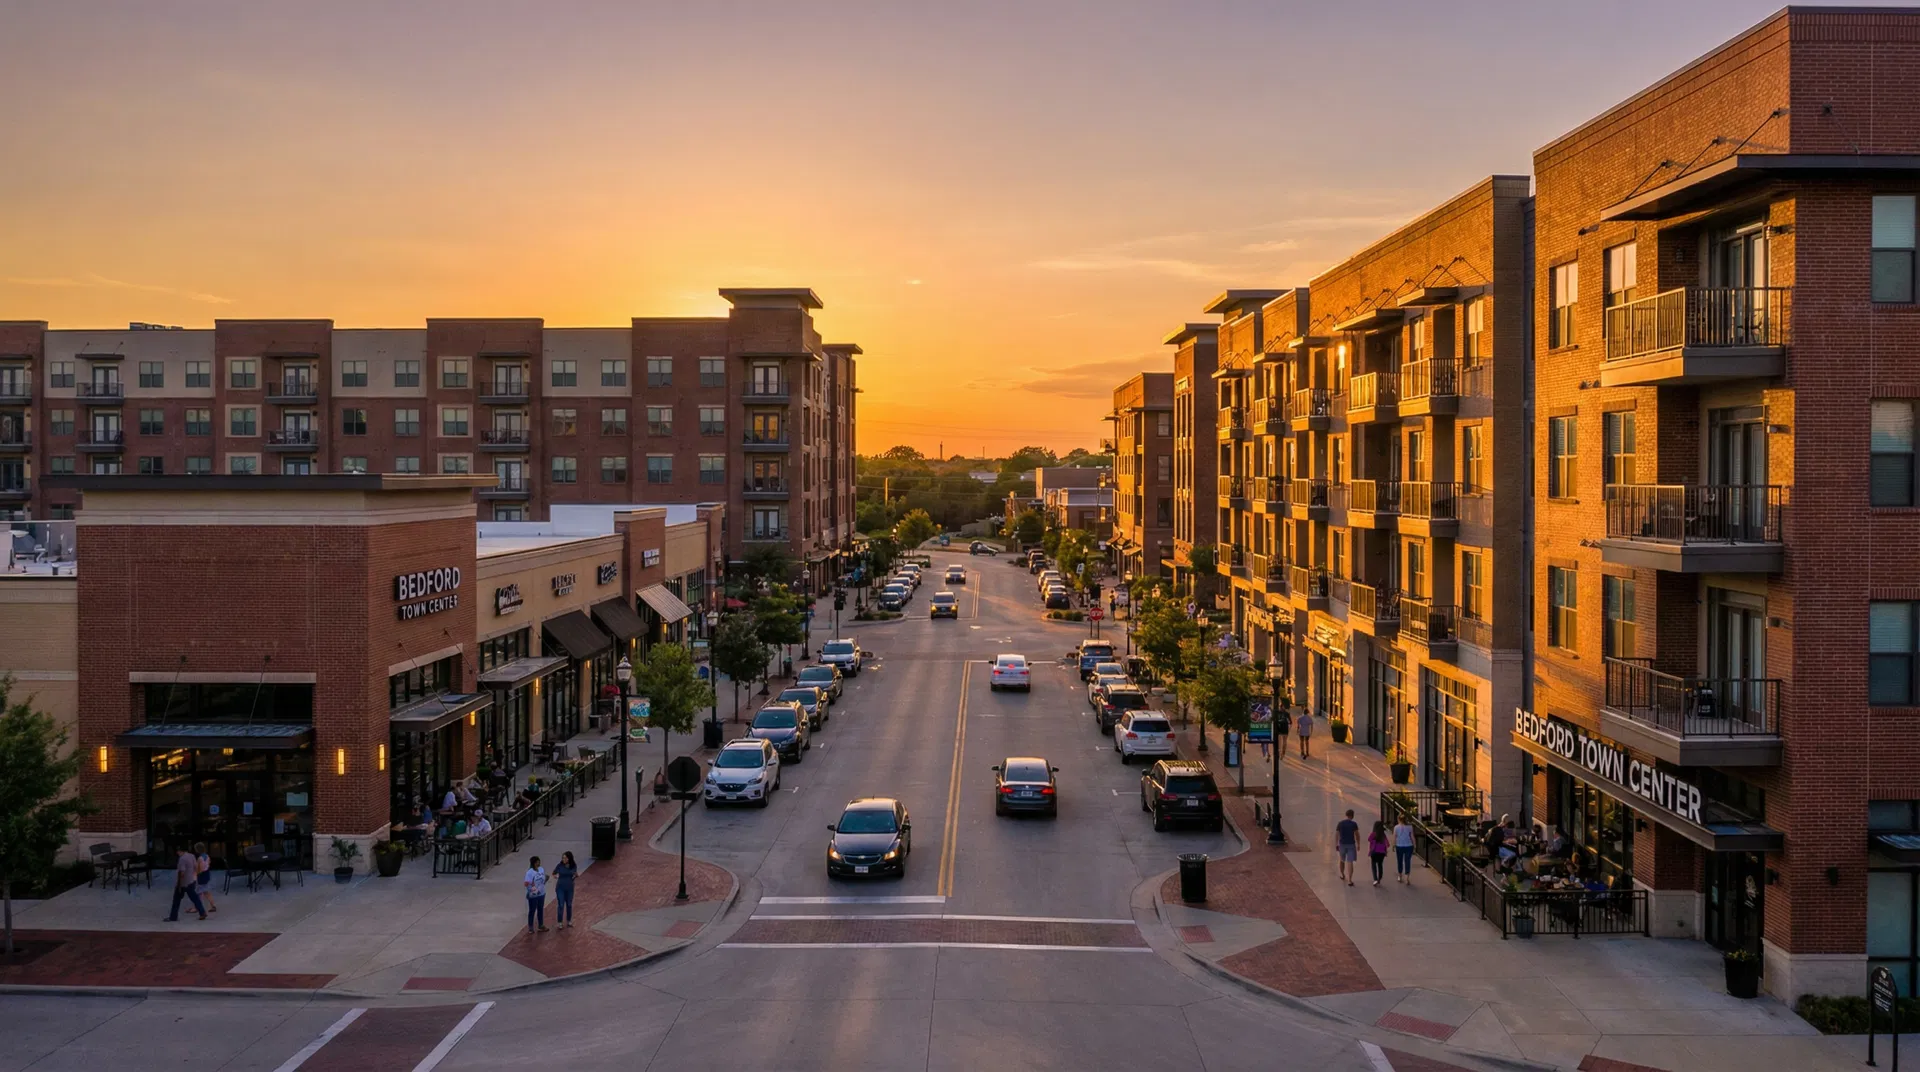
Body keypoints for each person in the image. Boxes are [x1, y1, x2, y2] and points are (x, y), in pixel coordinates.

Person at [165, 847, 207, 922]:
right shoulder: (191, 856)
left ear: (179, 851)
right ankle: (202, 912)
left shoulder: (182, 859)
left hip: (183, 883)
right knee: (195, 898)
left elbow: (182, 873)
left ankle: (173, 917)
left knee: (176, 900)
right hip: (191, 881)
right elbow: (196, 867)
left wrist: (179, 884)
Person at [553, 851, 578, 929]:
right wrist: (556, 877)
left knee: (569, 904)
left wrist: (575, 876)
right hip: (560, 888)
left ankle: (569, 920)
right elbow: (554, 873)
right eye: (563, 857)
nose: (564, 859)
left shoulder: (573, 866)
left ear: (569, 858)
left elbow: (574, 874)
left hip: (570, 888)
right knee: (561, 904)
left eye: (565, 858)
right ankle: (560, 922)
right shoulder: (560, 865)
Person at [1335, 809, 1360, 887]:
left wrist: (1336, 844)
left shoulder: (1340, 823)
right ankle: (1350, 880)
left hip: (1342, 844)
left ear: (1346, 814)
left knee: (1342, 860)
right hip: (1351, 844)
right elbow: (1357, 835)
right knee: (1350, 862)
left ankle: (1342, 875)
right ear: (1352, 816)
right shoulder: (1354, 824)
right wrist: (1358, 844)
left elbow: (1336, 834)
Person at [524, 855, 549, 934]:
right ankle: (531, 927)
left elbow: (543, 879)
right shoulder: (529, 872)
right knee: (532, 910)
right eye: (537, 862)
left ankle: (541, 925)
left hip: (542, 893)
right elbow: (527, 884)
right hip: (533, 895)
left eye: (539, 861)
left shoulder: (541, 869)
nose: (539, 863)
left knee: (540, 909)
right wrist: (533, 891)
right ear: (534, 863)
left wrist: (546, 879)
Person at [193, 841, 218, 914]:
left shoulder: (200, 858)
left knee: (198, 892)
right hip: (207, 874)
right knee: (205, 892)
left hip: (201, 876)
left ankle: (197, 907)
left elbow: (199, 870)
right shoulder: (207, 856)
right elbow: (208, 865)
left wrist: (195, 874)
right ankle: (213, 906)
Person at [1392, 815, 1416, 883]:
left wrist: (1393, 845)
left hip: (1399, 846)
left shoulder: (1396, 827)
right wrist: (1414, 845)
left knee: (1399, 861)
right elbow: (1412, 836)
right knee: (1407, 861)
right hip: (1409, 846)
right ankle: (1407, 877)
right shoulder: (1410, 827)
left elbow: (1395, 837)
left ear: (1399, 819)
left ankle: (1400, 875)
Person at [1366, 821, 1390, 887]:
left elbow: (1369, 839)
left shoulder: (1373, 834)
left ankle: (1375, 879)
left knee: (1373, 865)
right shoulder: (1383, 835)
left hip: (1374, 852)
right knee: (1380, 865)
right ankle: (1379, 878)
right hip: (1382, 853)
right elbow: (1387, 844)